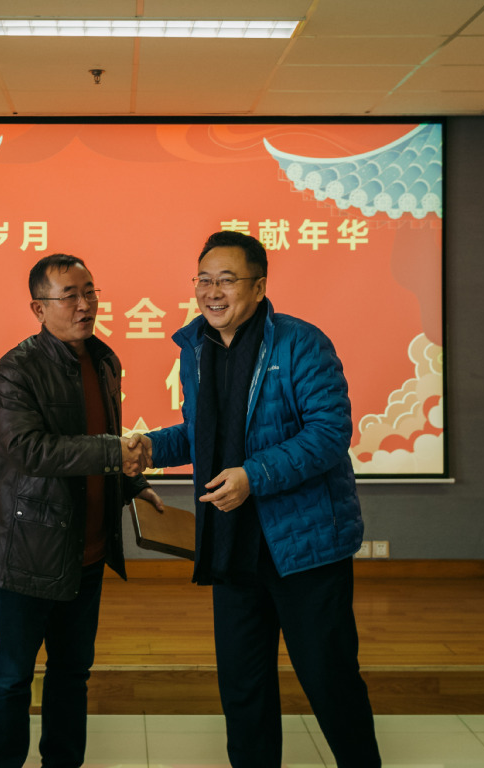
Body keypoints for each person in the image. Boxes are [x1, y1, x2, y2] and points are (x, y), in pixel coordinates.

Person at [131, 231, 380, 768]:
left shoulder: (301, 343)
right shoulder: (195, 348)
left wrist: (253, 476)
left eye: (226, 280)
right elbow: (204, 434)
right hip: (231, 544)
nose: (212, 292)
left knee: (329, 680)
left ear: (260, 286)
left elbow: (329, 433)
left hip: (304, 546)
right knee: (243, 689)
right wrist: (151, 447)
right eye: (203, 280)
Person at [0, 252, 163, 768]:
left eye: (90, 292)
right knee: (12, 677)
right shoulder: (17, 369)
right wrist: (114, 453)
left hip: (87, 552)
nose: (85, 305)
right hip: (29, 553)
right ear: (39, 309)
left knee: (71, 673)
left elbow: (102, 442)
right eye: (70, 296)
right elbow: (29, 451)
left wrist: (132, 485)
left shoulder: (105, 360)